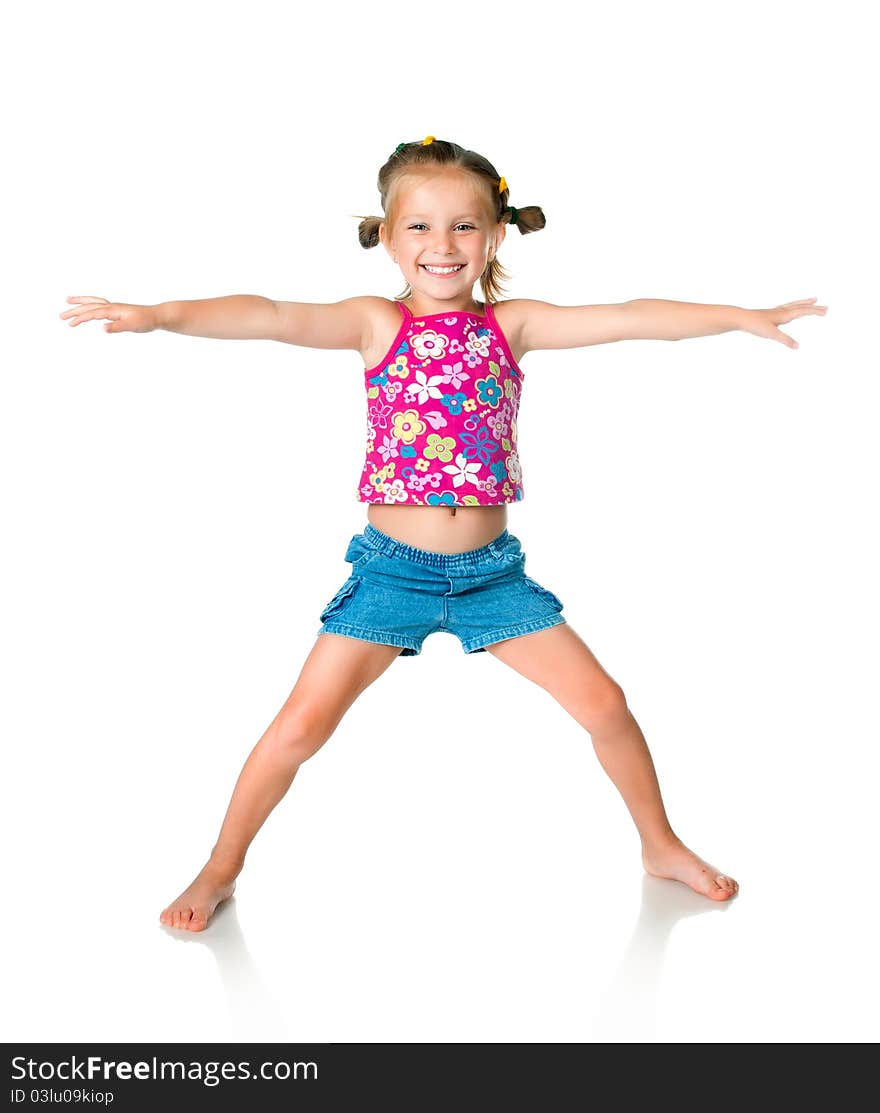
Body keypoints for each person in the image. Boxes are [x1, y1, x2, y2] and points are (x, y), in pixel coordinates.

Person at [61, 135, 826, 931]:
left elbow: (630, 318)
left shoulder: (513, 327)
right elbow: (273, 314)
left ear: (494, 233)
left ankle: (660, 844)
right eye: (420, 227)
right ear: (387, 236)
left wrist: (740, 316)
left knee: (605, 704)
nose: (442, 245)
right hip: (394, 574)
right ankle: (220, 867)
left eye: (464, 226)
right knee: (300, 726)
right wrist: (159, 316)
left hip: (494, 577)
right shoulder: (374, 324)